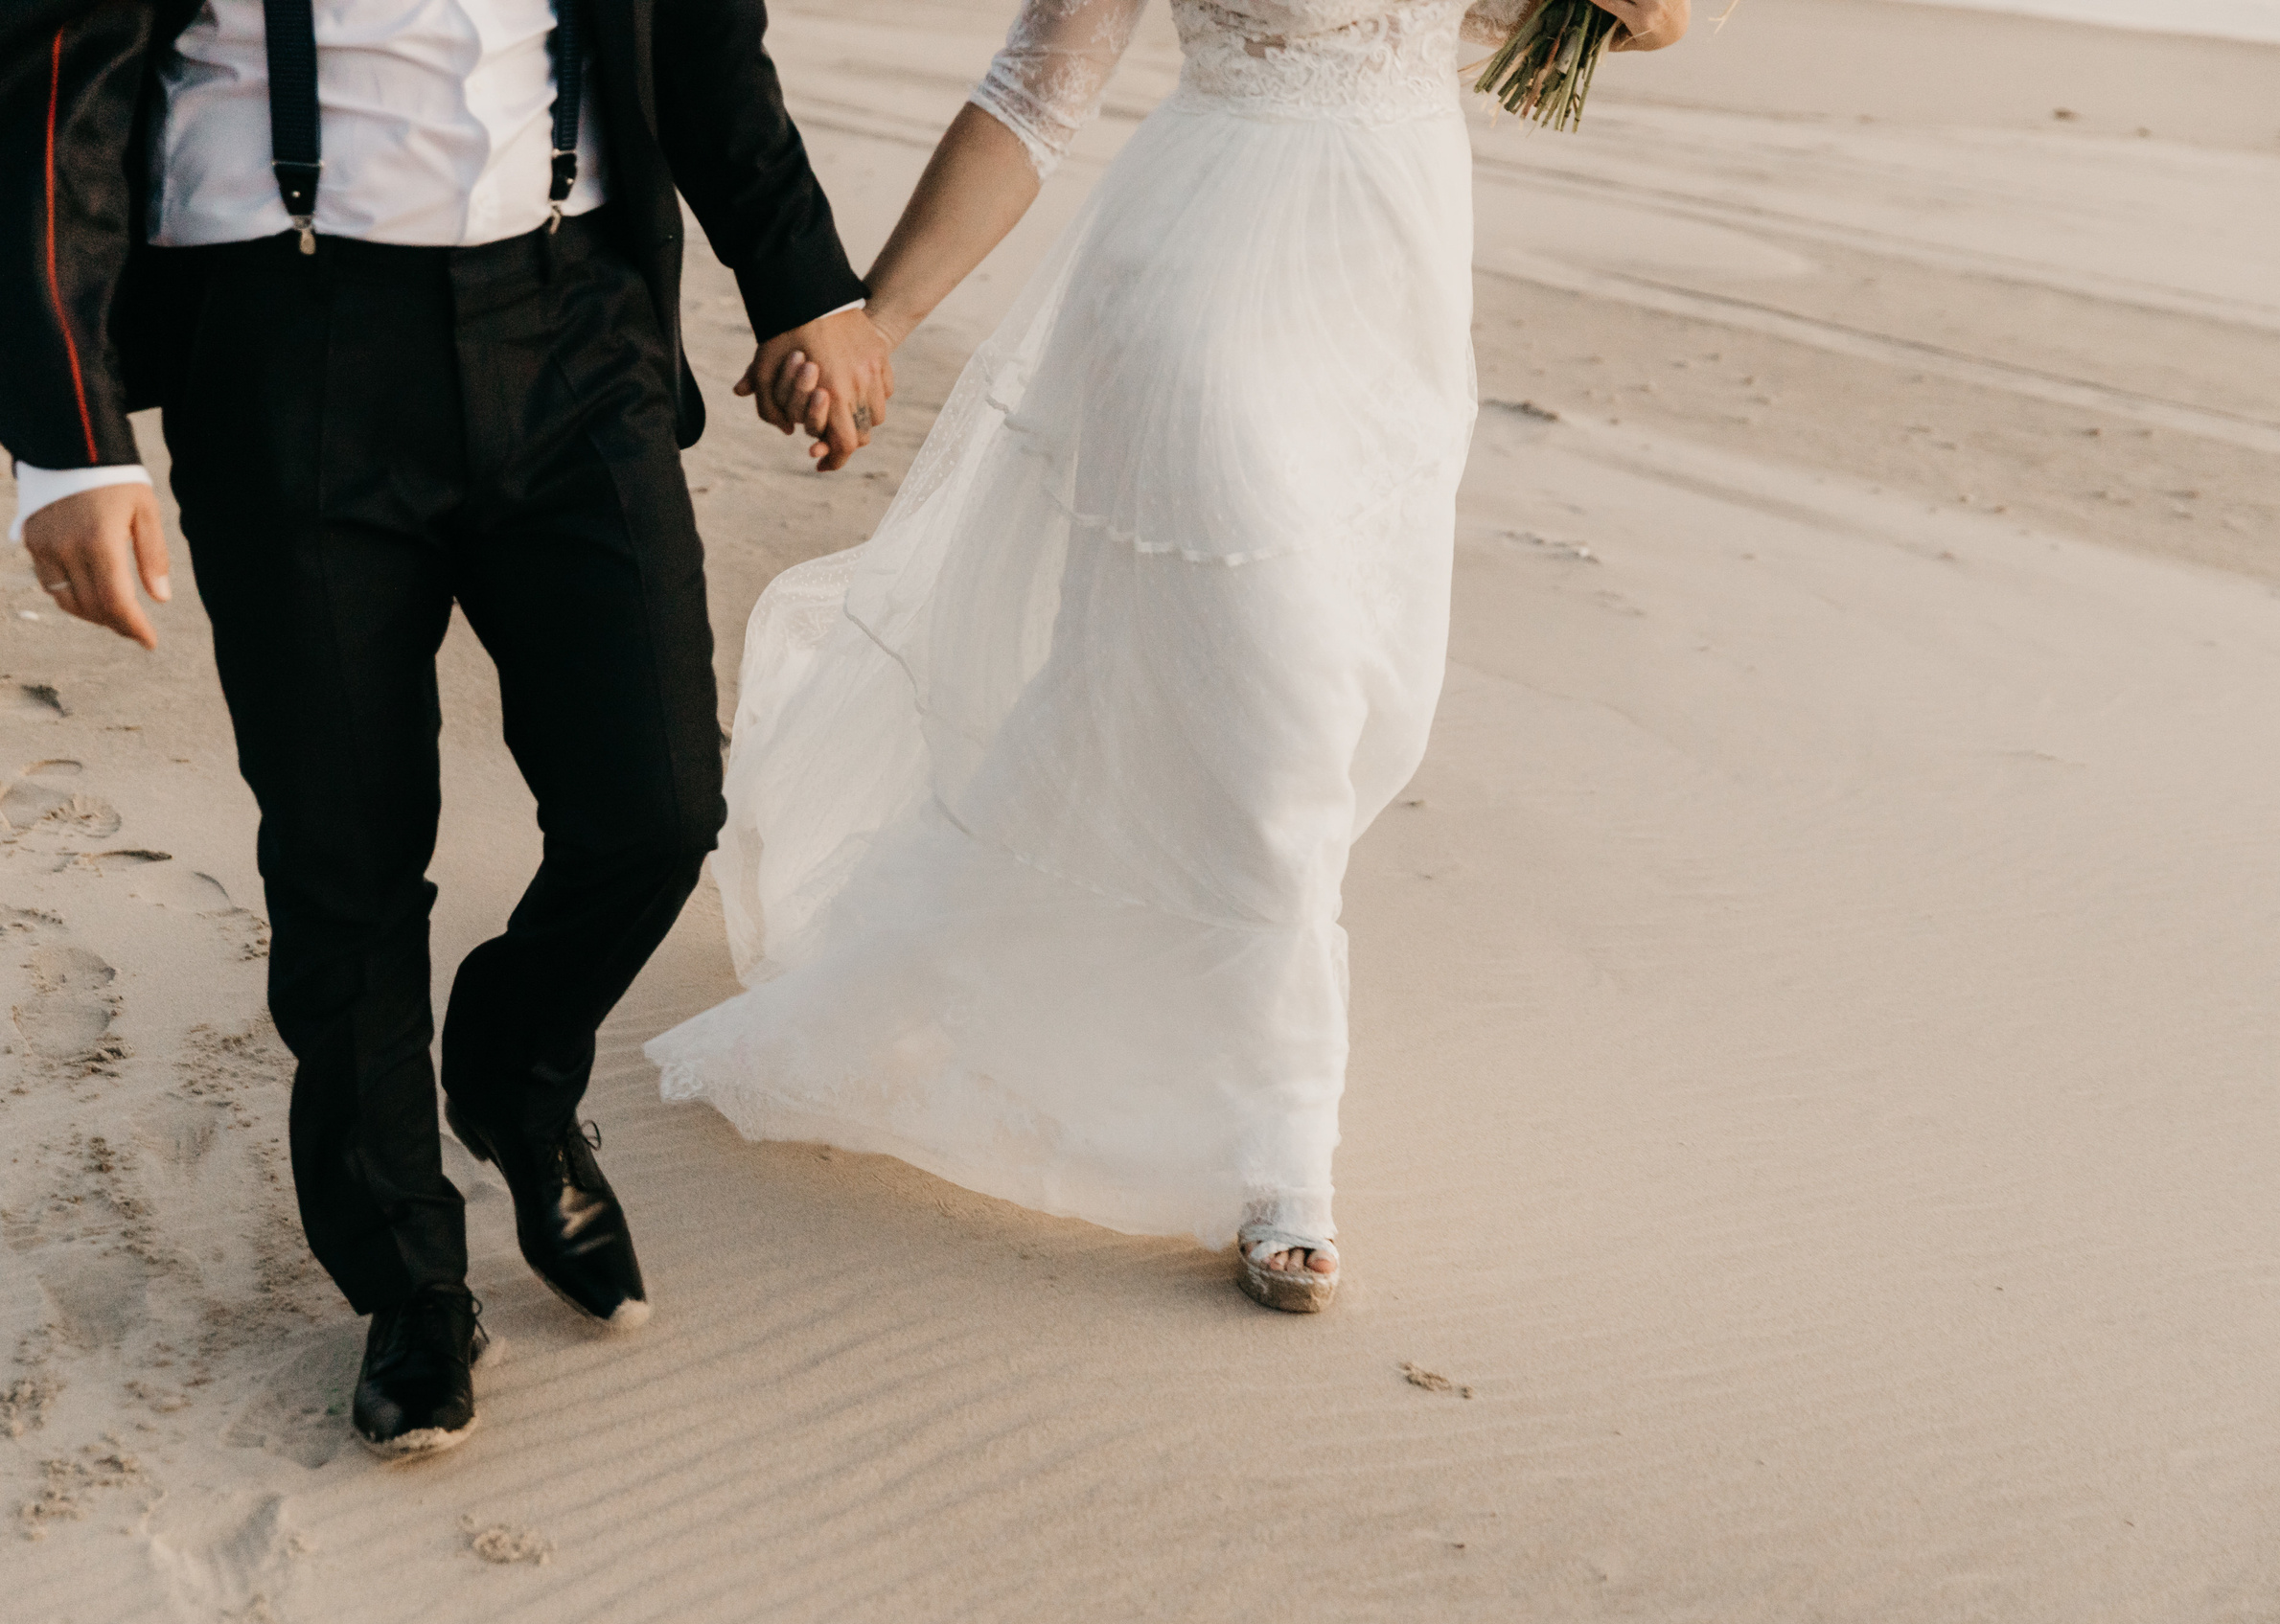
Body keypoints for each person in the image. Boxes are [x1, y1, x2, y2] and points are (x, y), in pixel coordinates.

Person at [0, 0, 893, 1456]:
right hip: (283, 336)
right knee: (346, 848)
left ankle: (514, 1070)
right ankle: (409, 1280)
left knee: (656, 803)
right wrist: (65, 439)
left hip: (575, 317)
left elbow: (696, 31)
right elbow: (31, 93)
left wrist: (801, 279)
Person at [647, 0, 1688, 1314]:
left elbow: (1586, 23)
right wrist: (878, 318)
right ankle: (1282, 1152)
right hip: (1209, 273)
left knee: (1323, 691)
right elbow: (1034, 97)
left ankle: (971, 954)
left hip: (1394, 284)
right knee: (1284, 695)